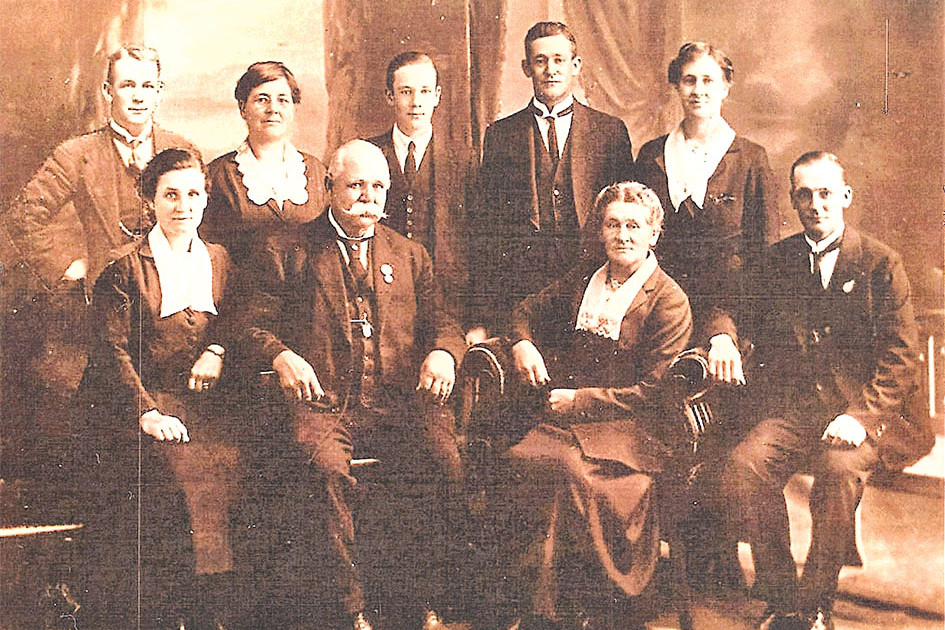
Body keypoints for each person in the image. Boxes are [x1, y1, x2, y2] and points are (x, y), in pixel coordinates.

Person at [243, 139, 467, 630]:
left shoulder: (409, 254)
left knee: (441, 457)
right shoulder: (287, 250)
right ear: (328, 187)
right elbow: (249, 325)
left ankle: (418, 598)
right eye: (355, 186)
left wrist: (444, 353)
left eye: (378, 187)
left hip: (395, 402)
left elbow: (446, 321)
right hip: (322, 404)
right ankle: (350, 610)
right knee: (323, 470)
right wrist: (281, 354)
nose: (368, 197)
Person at [721, 152, 933, 630]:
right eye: (803, 194)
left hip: (866, 412)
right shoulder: (778, 260)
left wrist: (860, 417)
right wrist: (720, 335)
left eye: (824, 193)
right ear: (793, 200)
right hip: (797, 412)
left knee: (838, 474)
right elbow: (732, 309)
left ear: (845, 197)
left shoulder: (880, 262)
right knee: (746, 464)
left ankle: (815, 604)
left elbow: (901, 356)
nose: (815, 204)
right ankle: (780, 599)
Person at [0, 43, 196, 536]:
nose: (138, 96)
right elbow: (24, 218)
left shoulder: (181, 150)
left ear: (160, 92)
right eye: (127, 85)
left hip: (167, 312)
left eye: (147, 85)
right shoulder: (76, 154)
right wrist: (68, 266)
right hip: (103, 312)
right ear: (107, 92)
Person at [500, 181, 692, 630]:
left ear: (653, 234)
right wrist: (523, 345)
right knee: (522, 459)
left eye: (633, 226)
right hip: (571, 420)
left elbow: (655, 391)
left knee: (570, 468)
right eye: (612, 225)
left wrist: (580, 401)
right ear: (600, 231)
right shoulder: (587, 277)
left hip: (634, 427)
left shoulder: (668, 299)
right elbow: (524, 310)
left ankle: (568, 609)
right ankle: (535, 599)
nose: (623, 235)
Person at [77, 148, 241, 629]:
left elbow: (238, 319)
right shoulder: (125, 269)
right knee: (180, 479)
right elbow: (111, 354)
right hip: (141, 407)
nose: (182, 205)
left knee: (244, 465)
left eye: (193, 194)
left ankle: (223, 612)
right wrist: (146, 413)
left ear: (206, 201)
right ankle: (178, 614)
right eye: (170, 195)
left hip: (206, 408)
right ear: (150, 200)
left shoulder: (220, 260)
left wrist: (218, 352)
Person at [471, 21, 633, 334]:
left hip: (591, 284)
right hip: (523, 291)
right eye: (540, 61)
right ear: (526, 67)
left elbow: (626, 214)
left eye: (559, 60)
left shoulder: (609, 132)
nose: (551, 70)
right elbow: (487, 229)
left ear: (576, 66)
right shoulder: (501, 135)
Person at [635, 42, 778, 384]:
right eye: (689, 80)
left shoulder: (750, 159)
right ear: (676, 86)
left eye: (708, 81)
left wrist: (729, 330)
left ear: (726, 87)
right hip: (660, 309)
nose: (698, 90)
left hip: (732, 313)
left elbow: (766, 255)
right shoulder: (651, 156)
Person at [366, 51, 473, 324]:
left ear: (437, 96)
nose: (416, 102)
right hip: (382, 299)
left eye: (425, 91)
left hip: (447, 302)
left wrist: (476, 319)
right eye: (405, 92)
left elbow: (480, 241)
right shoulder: (368, 154)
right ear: (389, 96)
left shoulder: (464, 158)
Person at [201, 61, 328, 266]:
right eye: (262, 100)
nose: (273, 109)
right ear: (243, 109)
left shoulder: (316, 171)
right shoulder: (218, 174)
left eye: (283, 100)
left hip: (311, 296)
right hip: (241, 296)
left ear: (293, 109)